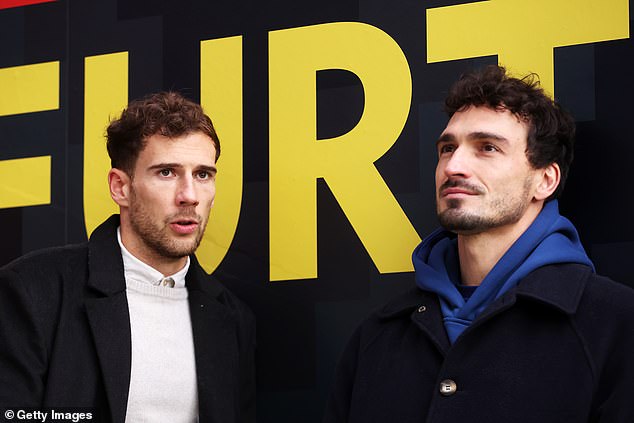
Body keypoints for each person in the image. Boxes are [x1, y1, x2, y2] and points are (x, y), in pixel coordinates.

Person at [323, 66, 634, 422]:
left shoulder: (615, 326)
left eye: (487, 148)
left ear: (545, 180)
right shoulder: (377, 337)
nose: (454, 165)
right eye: (447, 148)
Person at [0, 92, 255, 423]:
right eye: (166, 172)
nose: (189, 196)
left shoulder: (233, 319)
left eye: (203, 174)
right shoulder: (33, 291)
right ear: (120, 187)